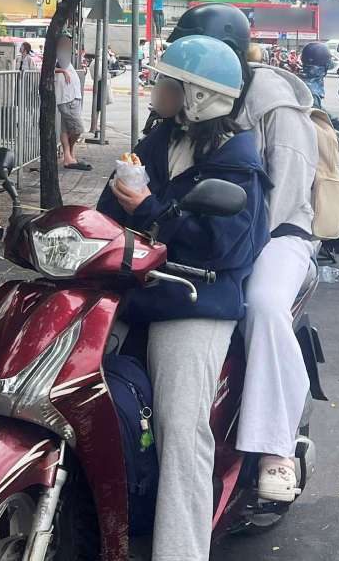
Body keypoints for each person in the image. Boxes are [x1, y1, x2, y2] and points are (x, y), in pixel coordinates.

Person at [96, 35, 270, 561]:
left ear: (196, 96)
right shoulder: (159, 141)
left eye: (168, 83)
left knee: (179, 425)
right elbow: (109, 213)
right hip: (138, 291)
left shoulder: (238, 161)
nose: (157, 89)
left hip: (194, 299)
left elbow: (226, 244)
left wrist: (150, 208)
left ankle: (180, 551)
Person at [169, 3, 318, 504]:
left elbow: (290, 186)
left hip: (276, 234)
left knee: (262, 304)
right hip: (208, 233)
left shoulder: (274, 101)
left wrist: (236, 248)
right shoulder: (192, 96)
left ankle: (274, 450)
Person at [54, 33, 89, 170]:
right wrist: (63, 71)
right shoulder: (57, 56)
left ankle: (68, 155)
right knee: (78, 128)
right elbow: (47, 69)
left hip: (72, 96)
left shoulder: (65, 57)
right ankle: (67, 155)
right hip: (67, 98)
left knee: (66, 129)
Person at [300, 42, 331, 110]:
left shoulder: (298, 80)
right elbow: (316, 116)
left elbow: (321, 111)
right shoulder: (312, 94)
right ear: (326, 65)